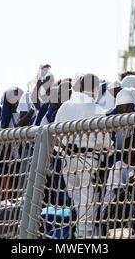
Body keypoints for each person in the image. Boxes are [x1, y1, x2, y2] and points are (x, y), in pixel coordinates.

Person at [54, 73, 109, 238]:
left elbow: (55, 136)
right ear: (95, 89)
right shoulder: (96, 109)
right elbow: (104, 143)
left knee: (79, 203)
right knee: (87, 203)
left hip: (67, 161)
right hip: (88, 160)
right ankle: (83, 239)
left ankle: (81, 235)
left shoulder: (65, 106)